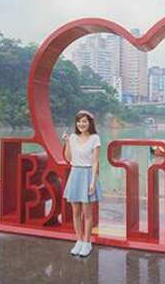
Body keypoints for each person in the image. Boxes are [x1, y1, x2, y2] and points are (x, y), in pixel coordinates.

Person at [62, 110, 103, 257]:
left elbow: (95, 161)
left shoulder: (95, 138)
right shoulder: (73, 137)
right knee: (76, 213)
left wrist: (92, 182)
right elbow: (68, 157)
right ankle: (78, 240)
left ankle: (87, 242)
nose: (81, 124)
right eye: (79, 121)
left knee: (87, 213)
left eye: (84, 121)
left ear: (90, 123)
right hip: (75, 174)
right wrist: (66, 142)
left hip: (87, 175)